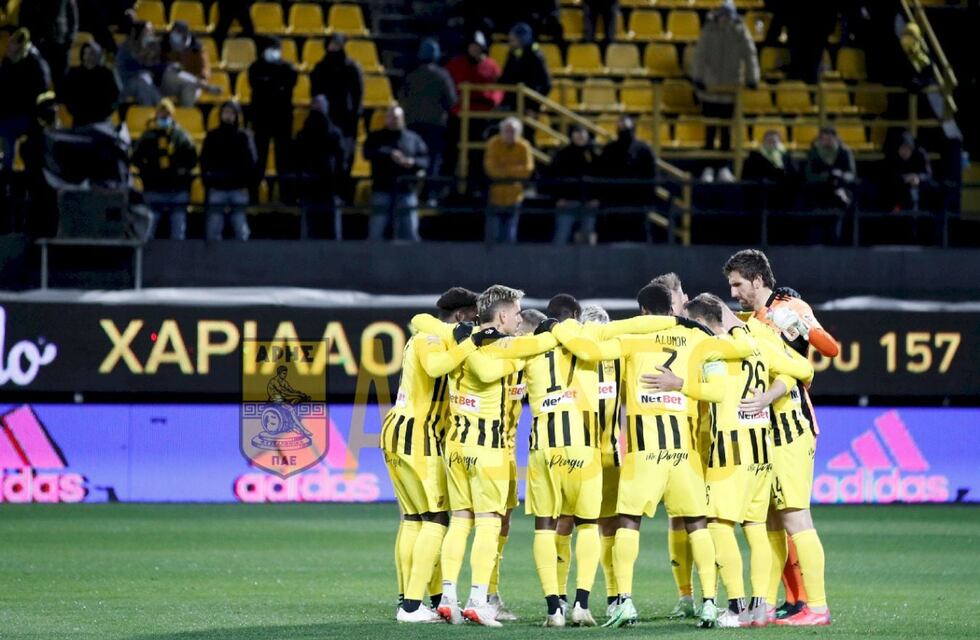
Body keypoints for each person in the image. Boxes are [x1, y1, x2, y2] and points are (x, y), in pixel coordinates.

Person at [545, 284, 741, 629]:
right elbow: (719, 391)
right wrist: (680, 383)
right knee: (697, 523)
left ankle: (625, 602)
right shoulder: (700, 341)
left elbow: (589, 352)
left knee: (628, 523)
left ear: (643, 312)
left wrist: (559, 328)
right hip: (684, 451)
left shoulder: (632, 341)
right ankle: (710, 602)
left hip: (644, 453)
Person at [674, 293, 813, 628]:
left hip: (730, 451)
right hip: (761, 452)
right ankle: (759, 606)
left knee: (719, 526)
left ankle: (735, 607)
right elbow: (804, 368)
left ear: (704, 322)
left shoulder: (712, 348)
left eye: (694, 325)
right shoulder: (758, 341)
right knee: (756, 529)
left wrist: (679, 383)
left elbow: (717, 392)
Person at [723, 249, 837, 626]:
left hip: (790, 424)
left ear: (757, 280)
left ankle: (817, 607)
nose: (734, 291)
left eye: (738, 284)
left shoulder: (789, 307)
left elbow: (827, 351)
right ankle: (767, 604)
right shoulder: (750, 320)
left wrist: (802, 326)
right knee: (768, 519)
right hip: (762, 429)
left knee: (794, 516)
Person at [386, 287, 480, 623]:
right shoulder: (430, 338)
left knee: (414, 519)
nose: (476, 321)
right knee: (437, 518)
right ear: (459, 316)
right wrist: (470, 343)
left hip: (405, 432)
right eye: (473, 315)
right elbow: (436, 367)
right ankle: (411, 605)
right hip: (418, 435)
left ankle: (413, 599)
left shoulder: (430, 333)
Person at [693, 3, 759, 151]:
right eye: (723, 15)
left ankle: (724, 166)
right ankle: (708, 165)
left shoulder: (740, 32)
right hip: (710, 87)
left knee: (727, 129)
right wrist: (698, 77)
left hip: (730, 87)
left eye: (728, 15)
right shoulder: (709, 31)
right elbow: (700, 56)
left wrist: (752, 78)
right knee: (709, 128)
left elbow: (750, 55)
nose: (725, 18)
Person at [399, 38, 456, 202]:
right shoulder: (442, 75)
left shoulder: (412, 75)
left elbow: (403, 96)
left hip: (412, 124)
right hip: (435, 125)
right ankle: (428, 196)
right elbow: (451, 100)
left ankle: (410, 193)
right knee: (432, 160)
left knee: (413, 158)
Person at [132, 99, 197, 239]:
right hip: (153, 190)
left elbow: (192, 159)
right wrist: (148, 171)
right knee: (148, 230)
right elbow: (135, 158)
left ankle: (179, 258)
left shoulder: (181, 137)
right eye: (161, 113)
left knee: (178, 232)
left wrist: (180, 170)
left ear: (172, 115)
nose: (164, 117)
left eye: (167, 114)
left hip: (177, 191)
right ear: (156, 115)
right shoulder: (147, 136)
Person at [363, 105, 429, 242]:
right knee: (376, 230)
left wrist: (412, 162)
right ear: (386, 119)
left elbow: (425, 160)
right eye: (391, 117)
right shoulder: (376, 137)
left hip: (406, 190)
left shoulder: (413, 139)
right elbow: (368, 152)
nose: (394, 120)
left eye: (397, 118)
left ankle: (413, 260)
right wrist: (390, 154)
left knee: (410, 231)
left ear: (402, 119)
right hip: (382, 188)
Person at [310, 33, 363, 193]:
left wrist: (354, 114)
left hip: (346, 120)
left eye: (337, 44)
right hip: (325, 119)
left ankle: (342, 192)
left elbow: (358, 94)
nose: (334, 48)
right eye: (331, 44)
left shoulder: (352, 67)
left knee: (345, 157)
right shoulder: (320, 67)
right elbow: (314, 92)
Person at [445, 31, 502, 179]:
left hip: (481, 116)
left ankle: (474, 187)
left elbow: (499, 88)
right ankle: (449, 186)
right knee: (452, 152)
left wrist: (492, 100)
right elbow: (448, 86)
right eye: (473, 46)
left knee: (477, 153)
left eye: (478, 46)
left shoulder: (491, 66)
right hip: (459, 114)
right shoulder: (456, 64)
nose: (475, 49)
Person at [200, 100, 257, 241]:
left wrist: (246, 184)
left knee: (241, 229)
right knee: (213, 228)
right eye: (226, 112)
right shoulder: (212, 136)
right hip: (217, 188)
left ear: (237, 116)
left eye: (232, 113)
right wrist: (210, 181)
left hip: (238, 189)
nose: (228, 116)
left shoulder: (244, 137)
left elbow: (251, 163)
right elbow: (204, 162)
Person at [293, 95, 345, 239]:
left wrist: (340, 186)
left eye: (320, 106)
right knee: (309, 226)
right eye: (315, 105)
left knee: (333, 226)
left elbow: (341, 161)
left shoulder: (334, 133)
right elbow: (297, 158)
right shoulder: (303, 134)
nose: (317, 109)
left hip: (330, 184)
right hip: (309, 183)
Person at [248, 37, 297, 182]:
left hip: (282, 119)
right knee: (259, 156)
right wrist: (275, 86)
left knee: (284, 157)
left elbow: (288, 86)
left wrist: (269, 83)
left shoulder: (288, 68)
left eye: (276, 49)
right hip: (261, 118)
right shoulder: (255, 67)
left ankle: (285, 194)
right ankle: (255, 192)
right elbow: (256, 86)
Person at [0, 28, 52, 166]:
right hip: (9, 113)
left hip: (28, 115)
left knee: (9, 137)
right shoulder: (8, 61)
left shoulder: (35, 64)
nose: (8, 45)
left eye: (12, 42)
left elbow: (40, 93)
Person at [483, 117, 534, 243]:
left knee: (510, 236)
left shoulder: (524, 146)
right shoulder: (493, 144)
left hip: (514, 196)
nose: (510, 134)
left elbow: (527, 170)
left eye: (513, 131)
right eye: (507, 130)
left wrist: (504, 170)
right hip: (495, 196)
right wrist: (514, 171)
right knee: (492, 236)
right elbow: (491, 169)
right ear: (501, 131)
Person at [548, 124, 600, 245]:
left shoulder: (594, 156)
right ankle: (557, 263)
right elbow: (552, 177)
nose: (580, 136)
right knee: (561, 237)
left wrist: (597, 198)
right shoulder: (562, 155)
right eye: (577, 133)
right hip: (567, 202)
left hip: (588, 203)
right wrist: (557, 198)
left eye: (582, 133)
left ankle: (588, 264)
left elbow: (600, 179)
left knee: (588, 238)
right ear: (571, 136)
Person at [804, 127, 856, 243]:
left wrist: (840, 175)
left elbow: (851, 174)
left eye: (830, 138)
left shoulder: (844, 152)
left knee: (842, 207)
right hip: (819, 192)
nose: (827, 141)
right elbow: (809, 175)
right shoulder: (814, 153)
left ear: (835, 138)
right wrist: (825, 176)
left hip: (839, 192)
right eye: (824, 138)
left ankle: (838, 241)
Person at [599, 116, 657, 216]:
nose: (623, 131)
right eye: (621, 128)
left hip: (637, 202)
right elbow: (601, 173)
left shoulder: (644, 149)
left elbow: (651, 175)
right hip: (614, 201)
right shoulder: (609, 149)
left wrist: (649, 200)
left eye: (626, 128)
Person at [17, 0, 77, 89]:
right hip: (38, 46)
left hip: (60, 45)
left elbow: (73, 16)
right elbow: (23, 19)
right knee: (38, 80)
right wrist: (31, 42)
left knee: (60, 81)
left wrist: (69, 39)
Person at [498, 23, 551, 118]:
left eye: (514, 40)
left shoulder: (536, 56)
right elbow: (506, 78)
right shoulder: (513, 54)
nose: (511, 43)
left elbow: (545, 84)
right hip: (512, 104)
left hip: (528, 107)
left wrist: (534, 107)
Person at [63, 42, 120, 127]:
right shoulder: (73, 73)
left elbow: (115, 96)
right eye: (86, 53)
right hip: (80, 120)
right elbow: (67, 96)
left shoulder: (107, 73)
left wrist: (105, 113)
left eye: (92, 53)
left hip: (102, 120)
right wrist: (77, 112)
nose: (88, 56)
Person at [161, 20, 216, 107]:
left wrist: (203, 77)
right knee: (171, 74)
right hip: (169, 83)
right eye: (174, 32)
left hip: (192, 82)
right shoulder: (165, 43)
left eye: (178, 33)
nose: (174, 35)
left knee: (190, 87)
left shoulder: (196, 47)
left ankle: (185, 117)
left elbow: (204, 67)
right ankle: (205, 87)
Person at [741, 129, 797, 211]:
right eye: (769, 141)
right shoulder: (754, 158)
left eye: (774, 141)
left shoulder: (786, 157)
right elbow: (746, 177)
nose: (771, 144)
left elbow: (791, 175)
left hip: (781, 195)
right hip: (761, 194)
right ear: (763, 142)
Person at [115, 20, 161, 106]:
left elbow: (155, 69)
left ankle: (160, 114)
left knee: (152, 90)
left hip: (145, 82)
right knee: (142, 85)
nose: (152, 33)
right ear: (140, 32)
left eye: (152, 30)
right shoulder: (125, 48)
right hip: (127, 83)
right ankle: (146, 114)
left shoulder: (151, 47)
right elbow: (126, 70)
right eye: (148, 30)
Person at [884, 131, 931, 212]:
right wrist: (904, 178)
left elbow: (928, 175)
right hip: (898, 189)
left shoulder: (920, 154)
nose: (904, 151)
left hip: (919, 187)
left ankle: (917, 217)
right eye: (902, 148)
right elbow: (889, 176)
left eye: (907, 148)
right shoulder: (893, 157)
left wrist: (917, 177)